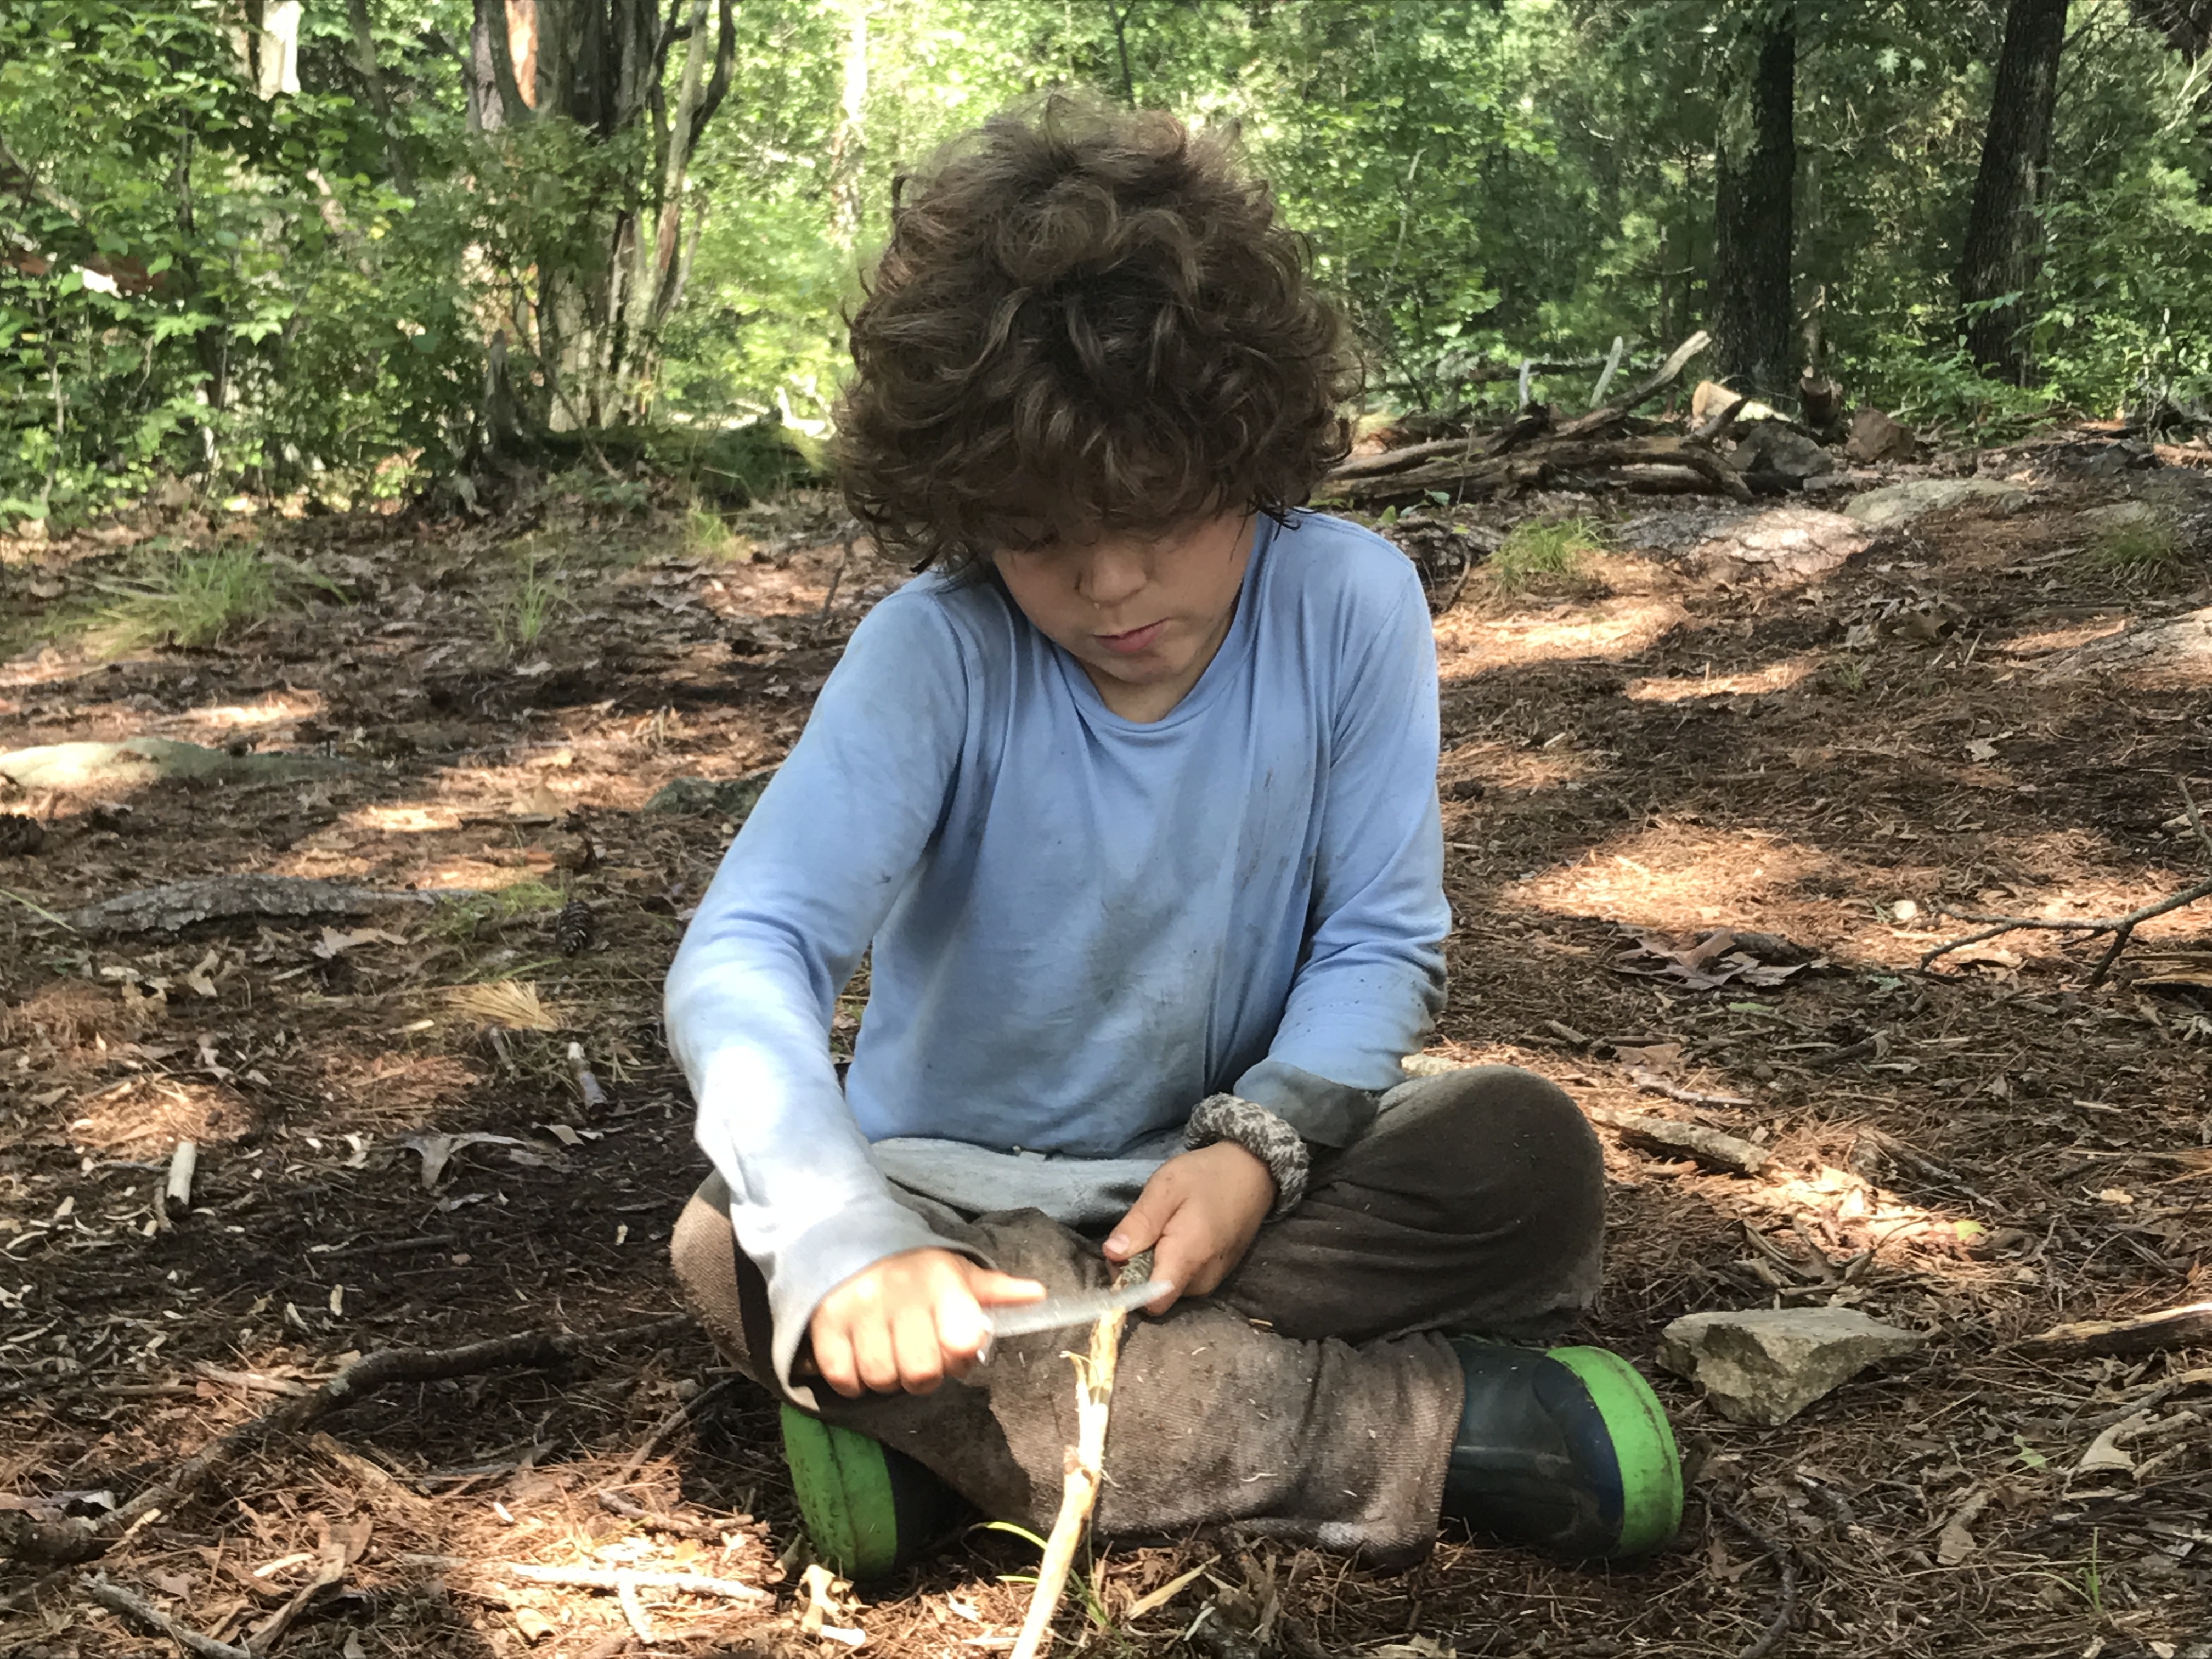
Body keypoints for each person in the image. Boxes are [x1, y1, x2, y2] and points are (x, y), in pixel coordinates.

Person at [665, 94, 1681, 1579]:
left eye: (1160, 508)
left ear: (1249, 442)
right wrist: (845, 1236)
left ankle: (969, 1432)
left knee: (1523, 1159)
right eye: (1039, 535)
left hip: (1233, 1188)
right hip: (961, 1198)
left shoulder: (1349, 605)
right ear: (964, 511)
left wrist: (1256, 1150)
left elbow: (1378, 939)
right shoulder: (934, 656)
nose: (1112, 582)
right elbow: (746, 951)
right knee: (732, 1252)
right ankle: (1420, 1434)